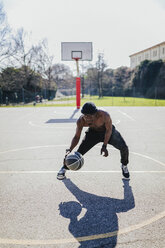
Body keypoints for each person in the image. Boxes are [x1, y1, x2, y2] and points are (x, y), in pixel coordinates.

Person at [57, 102, 129, 180]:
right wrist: (69, 150)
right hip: (93, 133)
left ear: (96, 114)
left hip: (108, 132)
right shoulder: (81, 121)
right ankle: (64, 168)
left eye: (90, 116)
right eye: (85, 116)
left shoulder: (104, 115)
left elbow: (109, 130)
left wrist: (104, 146)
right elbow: (76, 137)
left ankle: (124, 165)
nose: (87, 118)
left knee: (124, 148)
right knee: (78, 153)